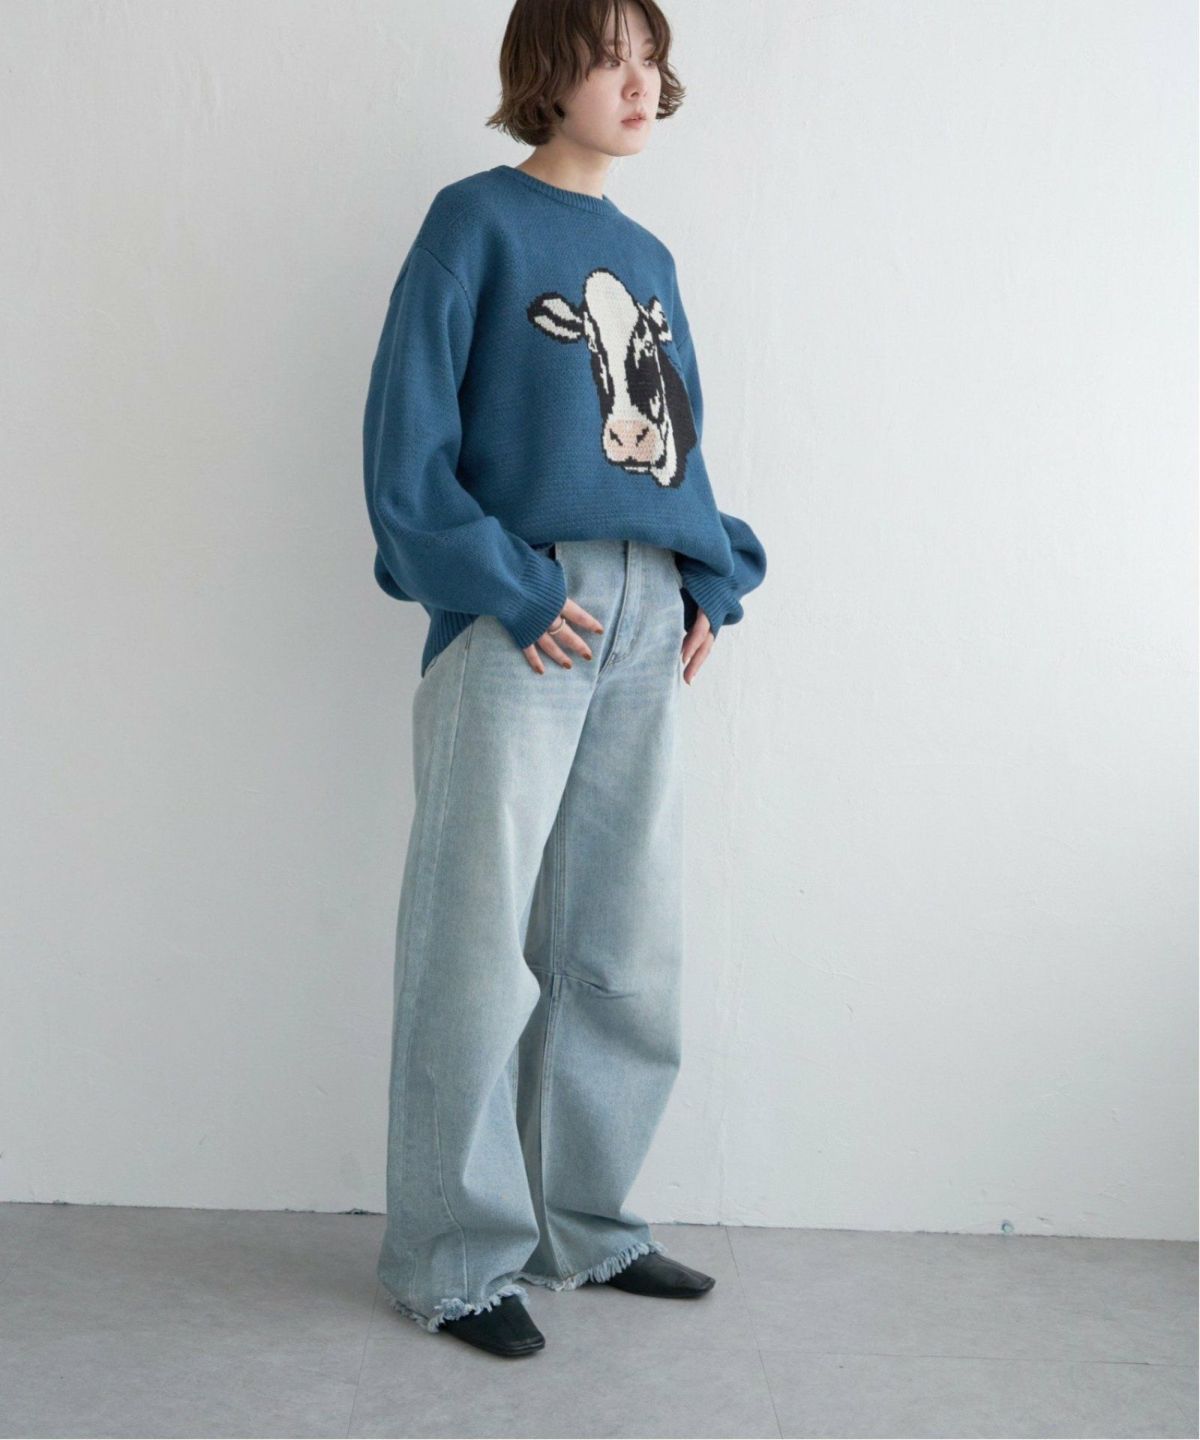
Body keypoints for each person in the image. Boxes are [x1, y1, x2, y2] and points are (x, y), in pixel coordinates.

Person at [362, 0, 767, 1358]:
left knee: (622, 945)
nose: (639, 84)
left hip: (647, 614)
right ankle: (451, 1259)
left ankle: (584, 1225)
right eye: (609, 58)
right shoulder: (472, 224)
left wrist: (710, 578)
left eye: (652, 59)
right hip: (522, 609)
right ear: (547, 70)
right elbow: (405, 450)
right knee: (475, 943)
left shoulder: (646, 257)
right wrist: (517, 586)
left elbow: (675, 446)